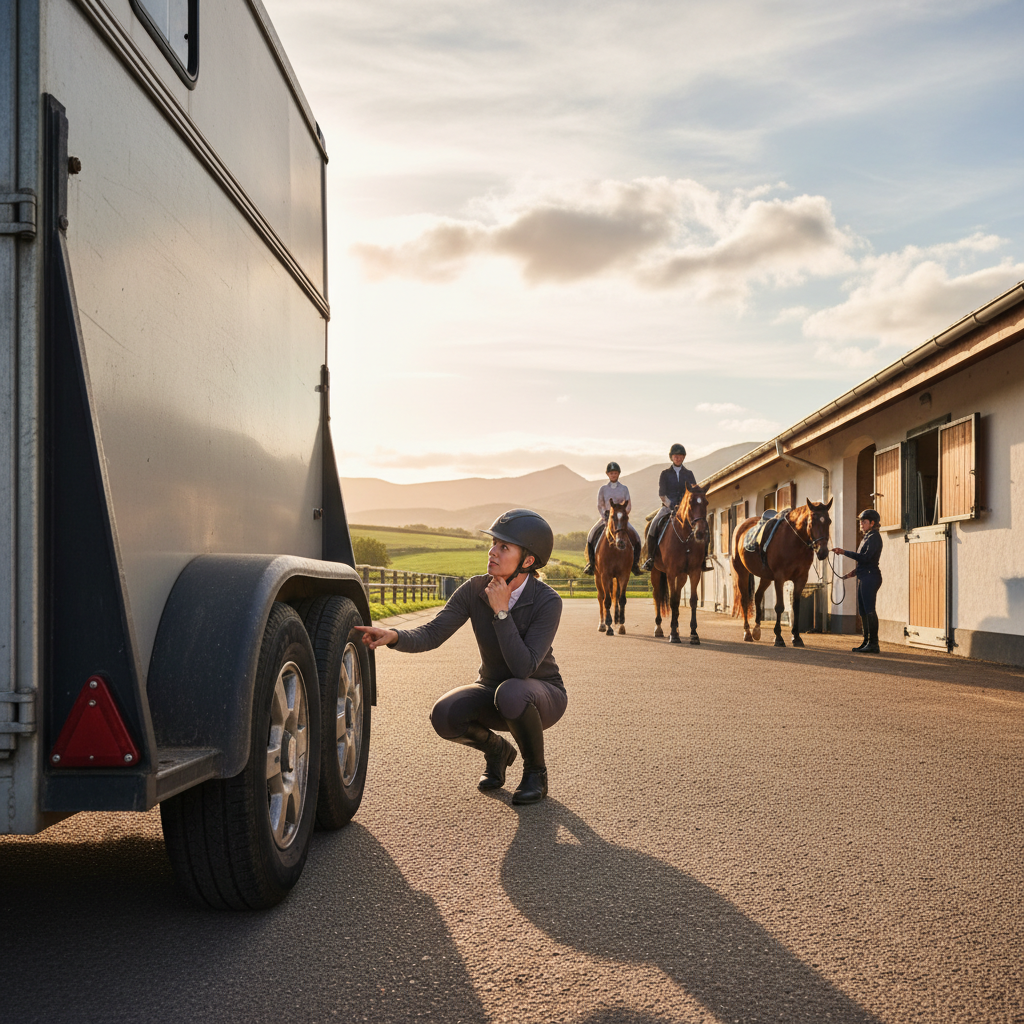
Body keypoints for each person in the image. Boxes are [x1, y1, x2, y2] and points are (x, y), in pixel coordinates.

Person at [355, 509, 565, 805]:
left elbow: (523, 668)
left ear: (528, 561)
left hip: (541, 695)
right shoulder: (474, 589)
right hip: (492, 688)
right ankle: (497, 751)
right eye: (493, 543)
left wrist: (501, 611)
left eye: (504, 547)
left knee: (512, 691)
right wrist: (394, 636)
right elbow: (433, 632)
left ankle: (535, 773)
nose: (492, 552)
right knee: (444, 714)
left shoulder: (547, 600)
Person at [832, 509, 883, 654]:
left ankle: (873, 643)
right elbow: (865, 561)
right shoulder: (867, 537)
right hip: (865, 576)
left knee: (869, 610)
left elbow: (866, 558)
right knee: (863, 610)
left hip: (870, 577)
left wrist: (844, 552)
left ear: (872, 523)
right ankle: (866, 641)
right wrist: (853, 573)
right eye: (861, 522)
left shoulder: (874, 537)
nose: (861, 524)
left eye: (864, 522)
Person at [640, 443, 697, 572]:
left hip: (685, 508)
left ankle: (703, 558)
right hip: (667, 507)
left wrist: (685, 505)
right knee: (652, 526)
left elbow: (693, 491)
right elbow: (662, 494)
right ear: (671, 457)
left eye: (680, 456)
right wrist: (671, 505)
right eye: (675, 456)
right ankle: (650, 558)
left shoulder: (689, 474)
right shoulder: (665, 474)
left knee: (702, 524)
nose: (678, 458)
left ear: (683, 457)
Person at [582, 461, 642, 576]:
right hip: (606, 518)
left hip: (621, 520)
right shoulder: (603, 489)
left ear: (618, 474)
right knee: (591, 536)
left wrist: (623, 516)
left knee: (637, 538)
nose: (613, 475)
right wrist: (604, 515)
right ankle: (591, 564)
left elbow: (628, 505)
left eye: (615, 473)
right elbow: (600, 505)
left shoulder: (624, 489)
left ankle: (635, 565)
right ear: (608, 474)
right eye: (611, 473)